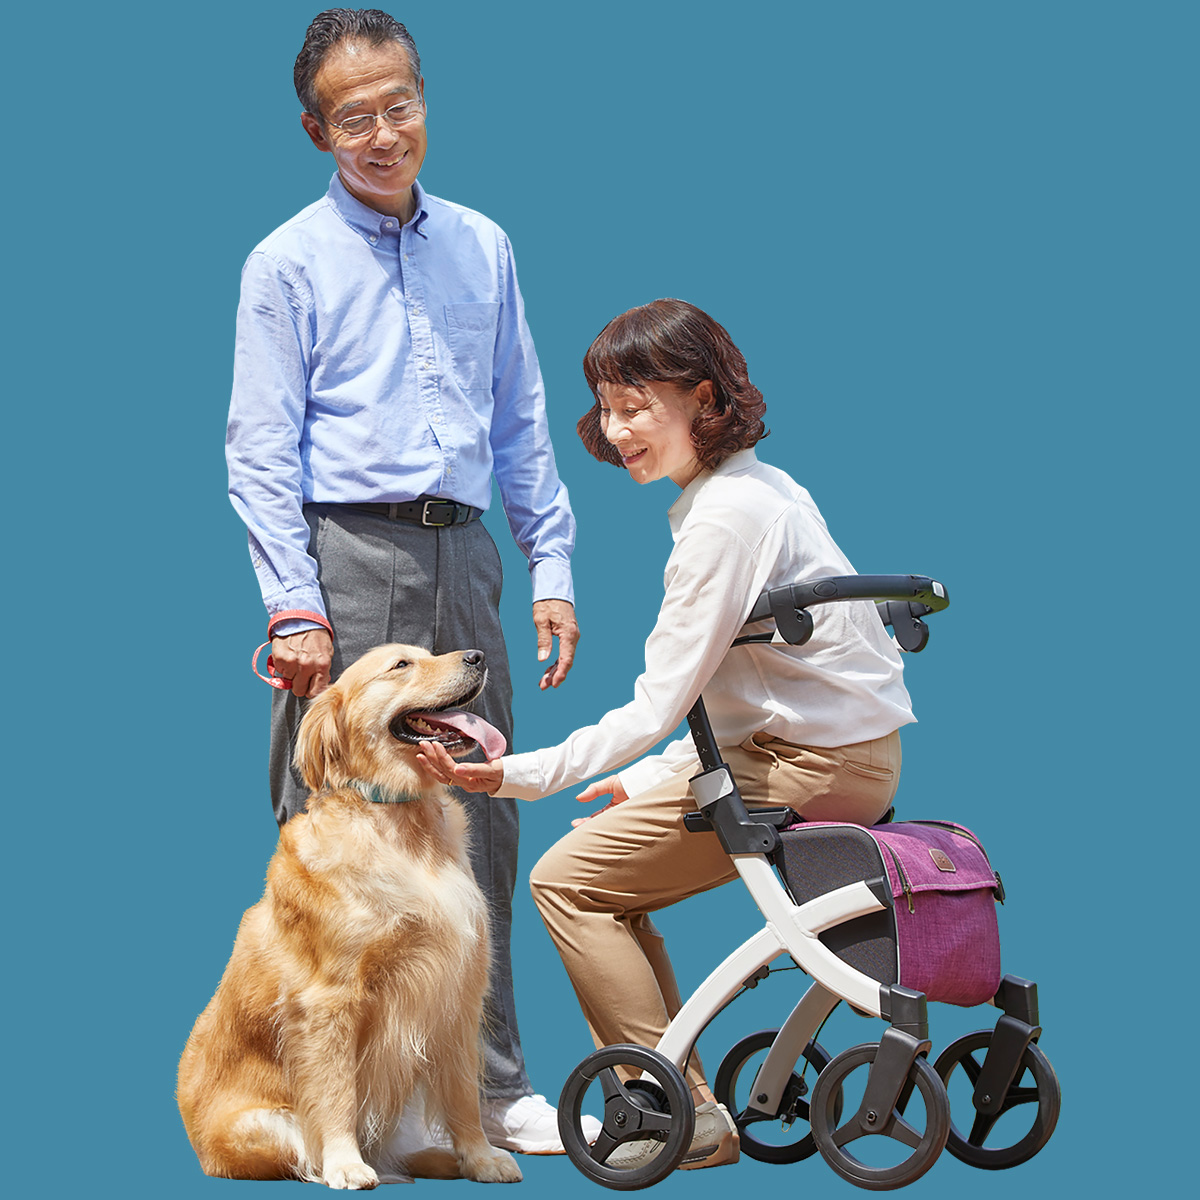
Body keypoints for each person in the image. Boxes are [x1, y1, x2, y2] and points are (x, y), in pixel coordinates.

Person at [418, 298, 915, 1171]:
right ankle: (686, 1093)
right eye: (607, 410)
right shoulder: (759, 490)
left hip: (803, 768)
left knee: (565, 882)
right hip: (843, 757)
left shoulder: (723, 522)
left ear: (704, 399)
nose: (615, 432)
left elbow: (658, 700)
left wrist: (513, 774)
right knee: (611, 884)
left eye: (636, 406)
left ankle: (678, 1110)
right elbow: (755, 689)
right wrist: (655, 779)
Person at [225, 8, 586, 1154]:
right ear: (315, 129)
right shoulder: (285, 262)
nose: (383, 133)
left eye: (400, 105)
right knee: (332, 822)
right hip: (347, 558)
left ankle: (485, 1089)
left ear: (425, 98)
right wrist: (296, 603)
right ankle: (315, 1100)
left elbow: (522, 415)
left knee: (478, 813)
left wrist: (552, 566)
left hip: (465, 557)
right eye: (353, 118)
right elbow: (258, 447)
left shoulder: (483, 243)